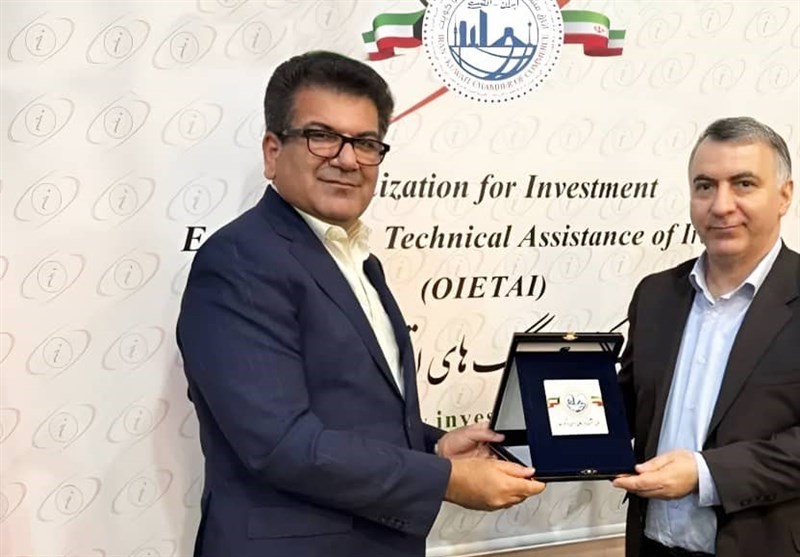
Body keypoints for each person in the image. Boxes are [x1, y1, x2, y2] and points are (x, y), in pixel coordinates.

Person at [176, 50, 545, 557]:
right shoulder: (241, 259)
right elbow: (281, 443)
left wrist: (435, 446)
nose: (347, 160)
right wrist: (444, 478)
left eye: (366, 143)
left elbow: (353, 415)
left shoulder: (355, 257)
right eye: (322, 136)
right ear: (272, 151)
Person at [613, 116, 799, 557]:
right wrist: (532, 426)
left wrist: (705, 473)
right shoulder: (656, 295)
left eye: (744, 184)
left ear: (784, 195)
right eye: (705, 186)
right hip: (651, 545)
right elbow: (627, 407)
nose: (721, 205)